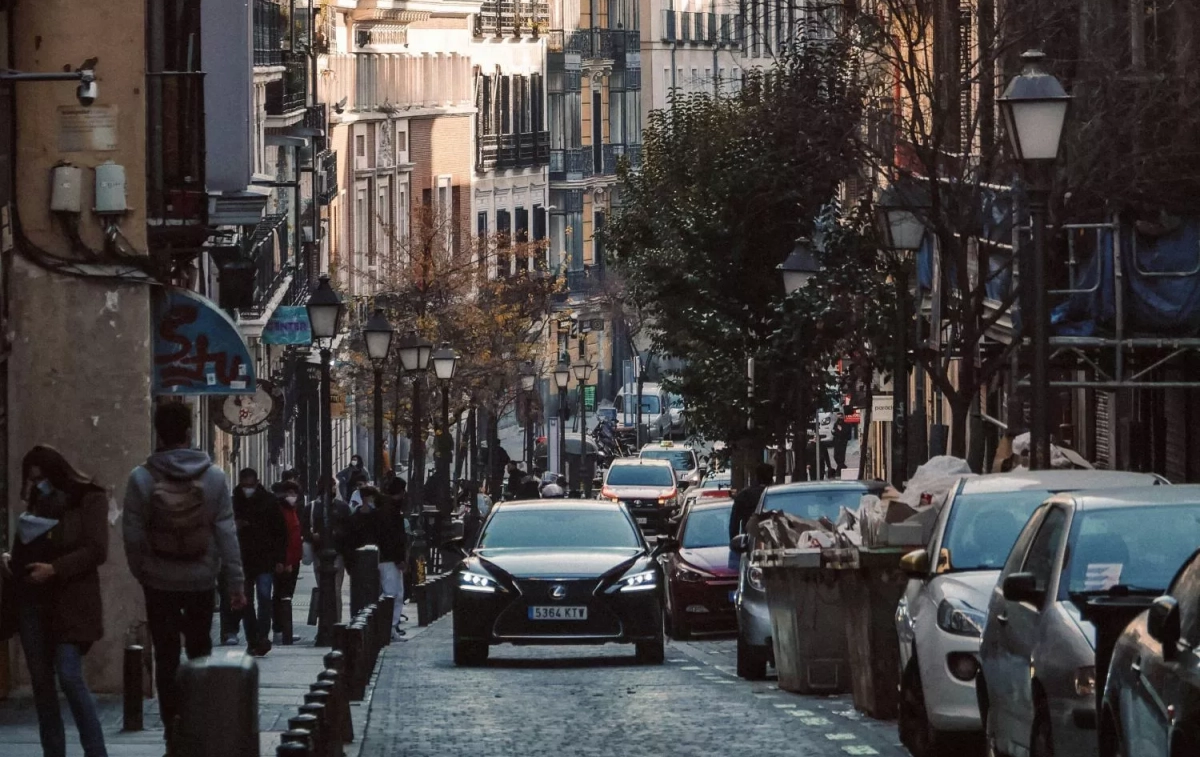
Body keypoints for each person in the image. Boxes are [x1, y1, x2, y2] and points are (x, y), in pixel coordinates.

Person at [122, 403, 245, 750]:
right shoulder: (214, 477)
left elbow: (132, 535)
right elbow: (226, 534)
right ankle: (197, 723)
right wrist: (235, 582)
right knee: (200, 651)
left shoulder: (141, 478)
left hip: (158, 580)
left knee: (165, 654)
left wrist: (143, 571)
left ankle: (171, 727)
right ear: (190, 432)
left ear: (158, 432)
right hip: (201, 580)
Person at [1, 446, 110, 757]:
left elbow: (96, 550)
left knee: (69, 675)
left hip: (72, 602)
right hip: (32, 602)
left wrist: (55, 569)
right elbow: (26, 541)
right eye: (33, 480)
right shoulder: (36, 501)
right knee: (42, 687)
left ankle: (96, 750)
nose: (38, 484)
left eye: (43, 478)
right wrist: (11, 560)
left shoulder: (89, 497)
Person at [232, 468, 287, 656]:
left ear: (257, 482)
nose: (248, 488)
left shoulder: (269, 502)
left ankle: (263, 636)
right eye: (244, 485)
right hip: (243, 560)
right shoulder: (234, 503)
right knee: (246, 601)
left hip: (265, 559)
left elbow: (280, 531)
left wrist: (280, 559)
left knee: (264, 597)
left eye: (251, 484)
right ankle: (252, 638)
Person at [305, 476, 352, 623]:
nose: (331, 489)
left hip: (337, 553)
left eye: (333, 486)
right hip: (319, 553)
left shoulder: (342, 507)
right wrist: (313, 536)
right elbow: (304, 530)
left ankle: (335, 622)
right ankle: (326, 622)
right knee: (324, 588)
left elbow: (349, 530)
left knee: (335, 589)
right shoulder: (312, 507)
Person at [272, 480, 304, 644]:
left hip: (294, 560)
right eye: (289, 493)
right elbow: (281, 537)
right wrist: (283, 561)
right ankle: (279, 630)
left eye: (294, 493)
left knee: (287, 596)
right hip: (285, 561)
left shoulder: (293, 510)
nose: (292, 496)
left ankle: (284, 629)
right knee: (281, 595)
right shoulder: (281, 511)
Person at [728, 463, 776, 541]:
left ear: (756, 477)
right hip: (777, 542)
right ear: (771, 478)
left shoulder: (744, 495)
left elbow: (734, 524)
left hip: (750, 542)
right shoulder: (777, 495)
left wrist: (736, 544)